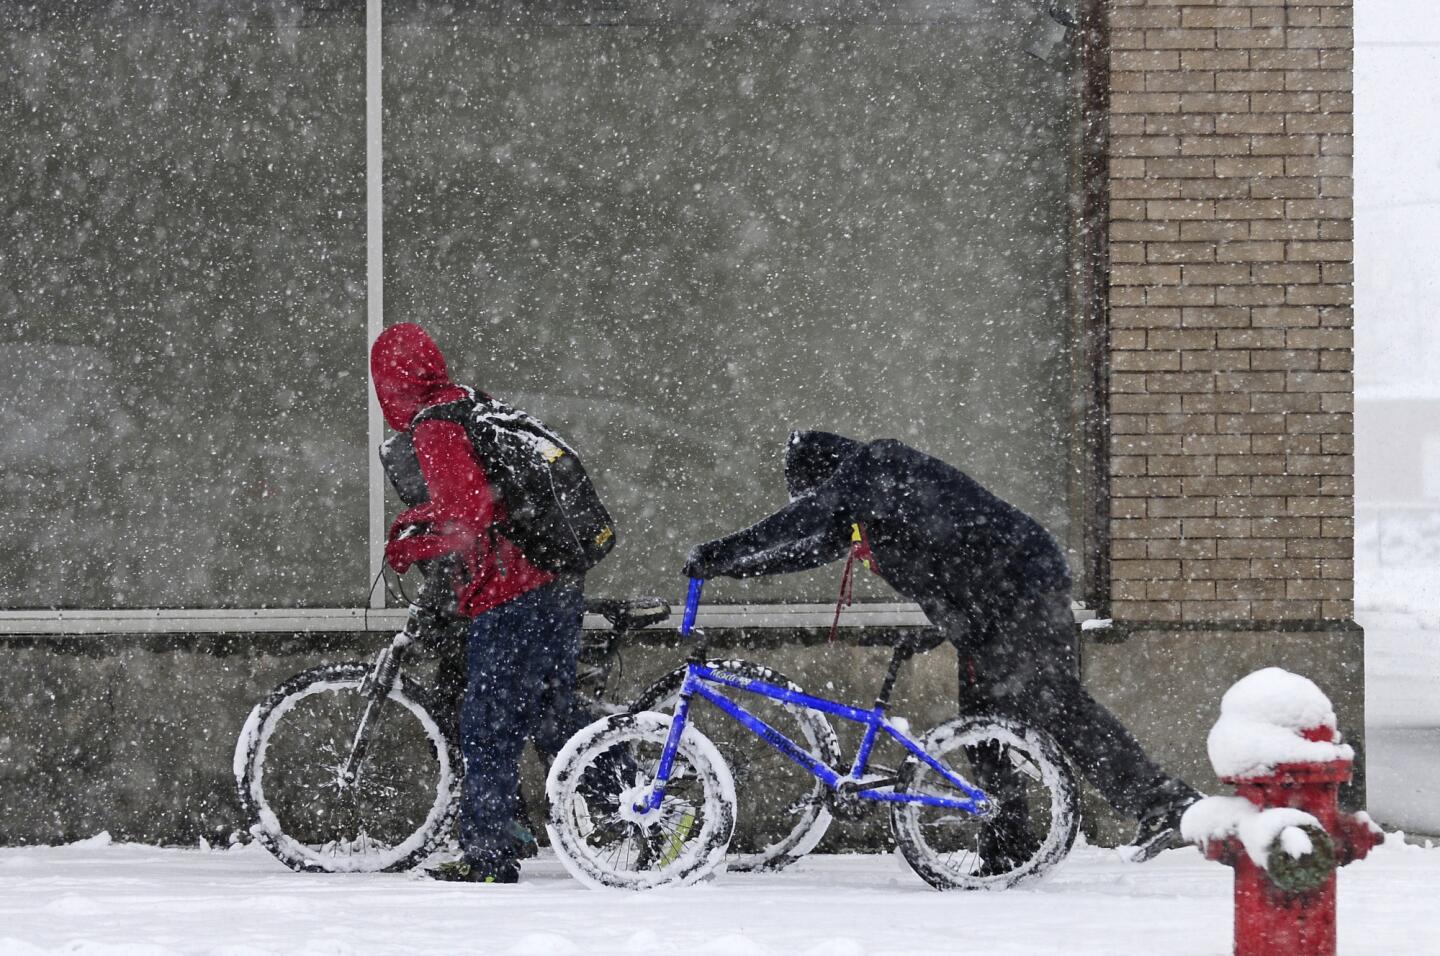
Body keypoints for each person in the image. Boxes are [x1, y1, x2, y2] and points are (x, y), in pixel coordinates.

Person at [684, 431, 1202, 863]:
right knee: (980, 730)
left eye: (811, 493)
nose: (817, 507)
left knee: (1051, 701)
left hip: (1019, 588)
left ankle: (1165, 803)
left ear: (828, 475)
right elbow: (805, 549)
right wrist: (729, 567)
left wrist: (720, 548)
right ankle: (1008, 848)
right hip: (983, 612)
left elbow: (808, 519)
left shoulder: (878, 463)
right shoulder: (867, 507)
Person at [370, 323, 588, 884]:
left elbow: (467, 517)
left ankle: (488, 854)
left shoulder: (436, 426)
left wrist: (407, 544)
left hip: (511, 591)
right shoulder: (470, 402)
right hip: (555, 579)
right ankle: (647, 811)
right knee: (552, 713)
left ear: (388, 383)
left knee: (487, 722)